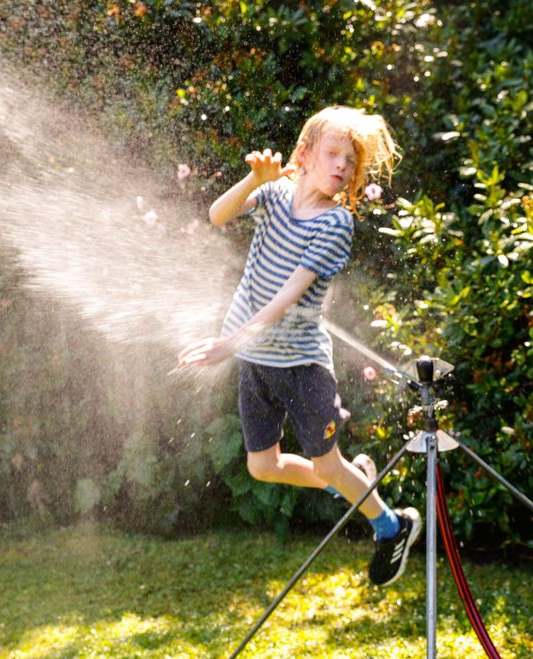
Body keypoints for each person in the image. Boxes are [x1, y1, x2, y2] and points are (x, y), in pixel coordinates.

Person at [178, 105, 420, 586]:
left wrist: (228, 343)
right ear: (304, 156)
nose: (342, 167)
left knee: (328, 465)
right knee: (262, 467)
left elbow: (286, 299)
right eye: (333, 154)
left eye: (350, 162)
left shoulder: (336, 225)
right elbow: (216, 215)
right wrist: (253, 180)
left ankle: (391, 526)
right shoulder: (273, 193)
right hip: (256, 361)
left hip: (301, 364)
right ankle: (353, 479)